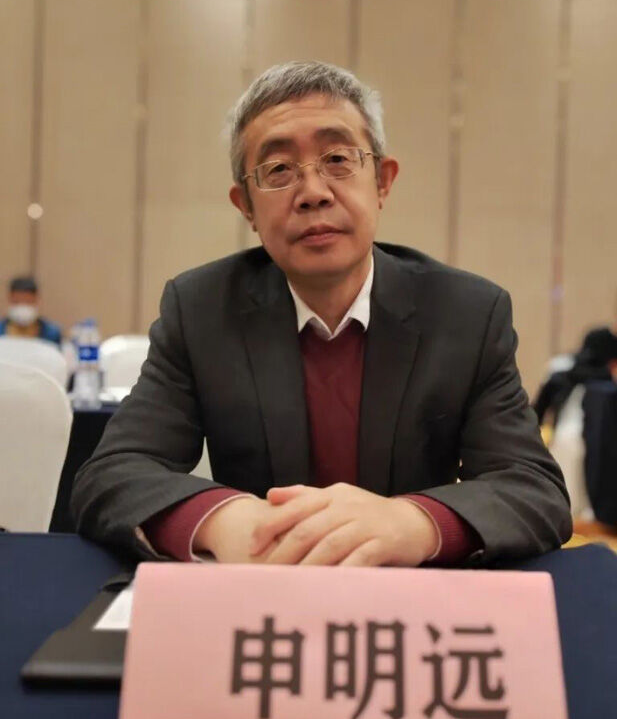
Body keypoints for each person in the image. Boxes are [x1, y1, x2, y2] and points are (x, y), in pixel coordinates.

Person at [71, 61, 571, 568]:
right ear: (246, 207)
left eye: (337, 159)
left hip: (409, 594)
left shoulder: (466, 314)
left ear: (382, 182)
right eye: (278, 170)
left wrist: (414, 523)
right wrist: (225, 520)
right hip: (262, 590)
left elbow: (532, 488)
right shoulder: (201, 309)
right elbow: (113, 475)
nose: (313, 193)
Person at [0, 276, 62, 346]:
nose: (23, 307)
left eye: (28, 302)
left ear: (37, 300)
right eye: (17, 302)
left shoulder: (52, 333)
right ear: (9, 299)